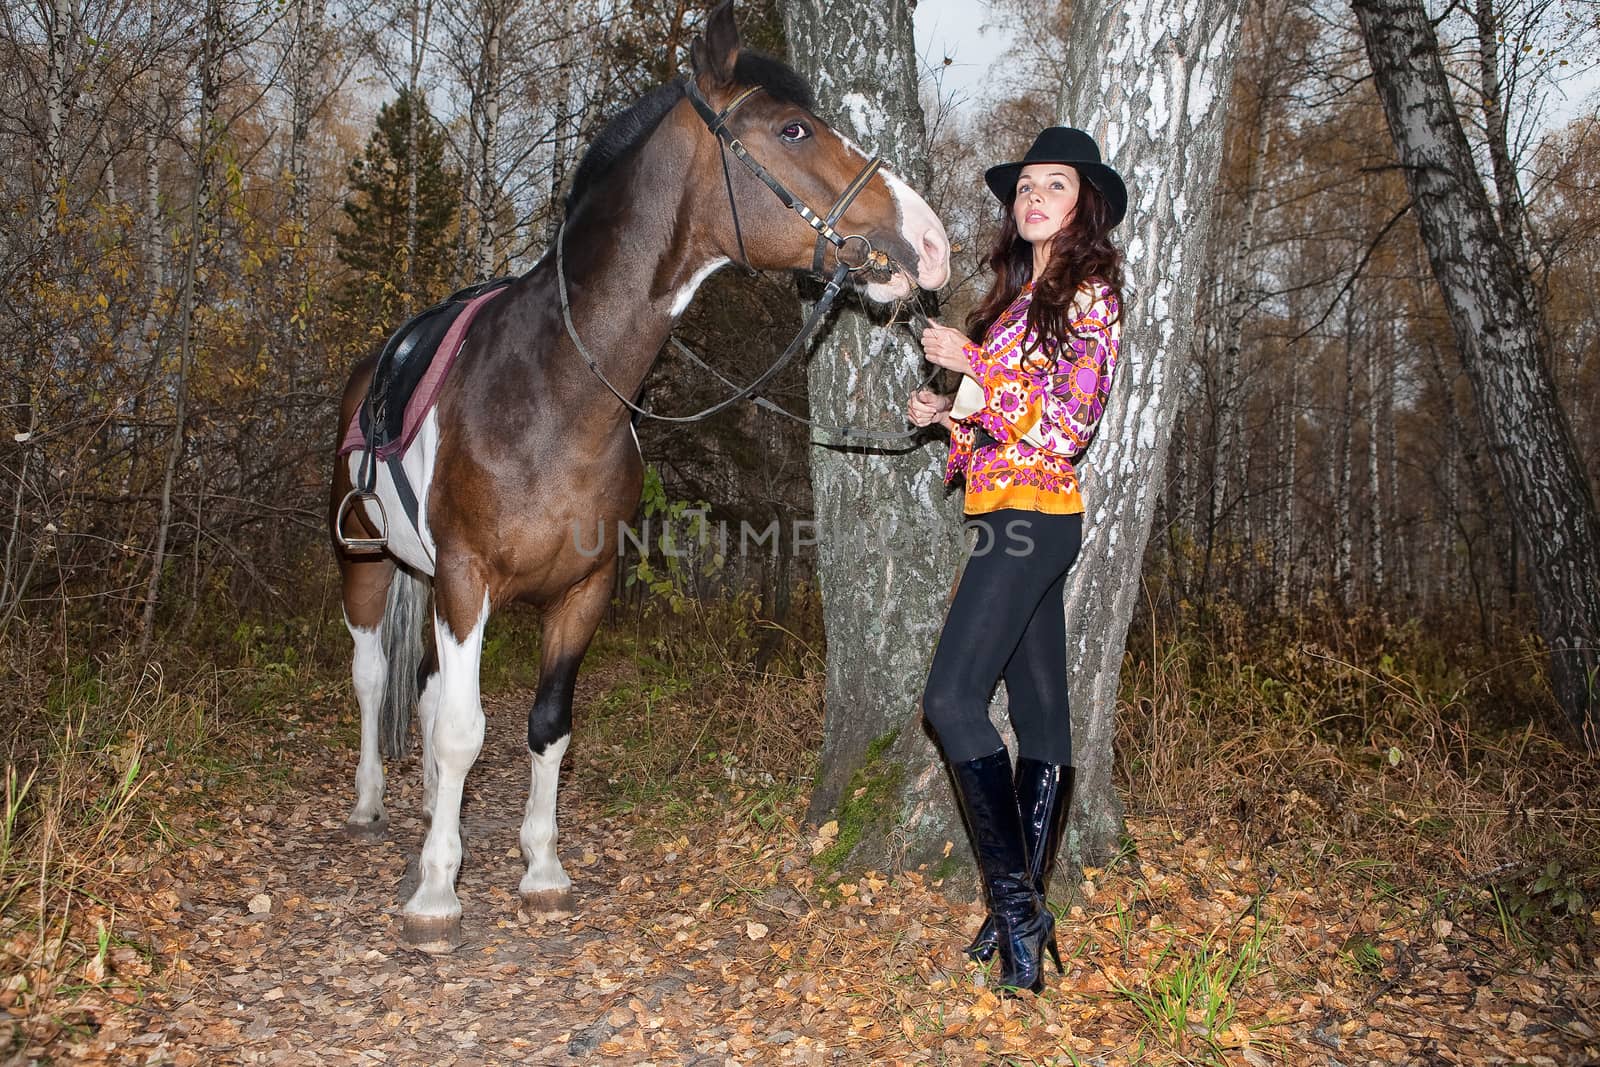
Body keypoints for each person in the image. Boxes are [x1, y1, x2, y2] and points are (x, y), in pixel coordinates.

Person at [907, 127, 1126, 994]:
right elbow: (1005, 423)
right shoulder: (1009, 300)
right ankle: (1021, 915)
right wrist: (947, 414)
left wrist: (977, 376)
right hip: (1009, 511)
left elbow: (1069, 426)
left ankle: (1017, 907)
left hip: (1035, 520)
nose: (1032, 197)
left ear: (1084, 206)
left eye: (1055, 185)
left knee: (951, 699)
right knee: (1041, 718)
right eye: (1025, 185)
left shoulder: (1091, 294)